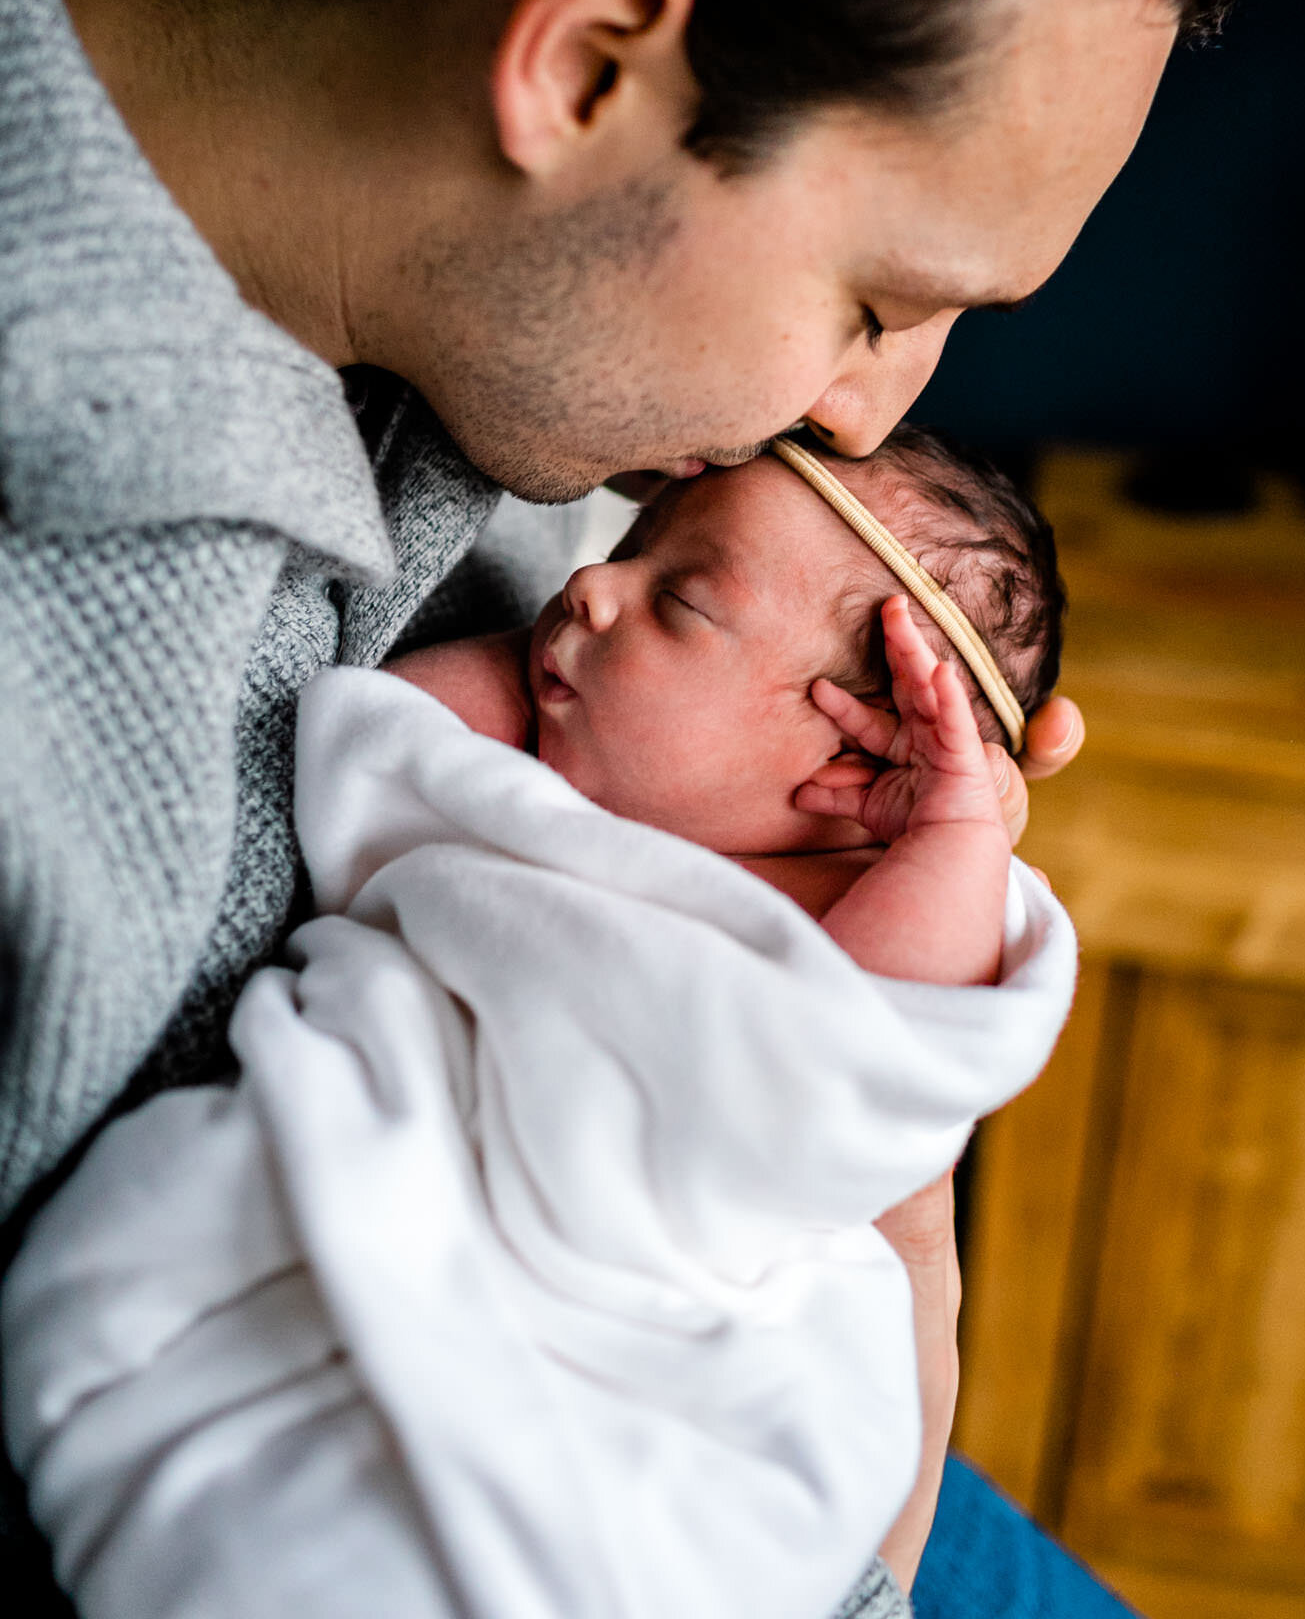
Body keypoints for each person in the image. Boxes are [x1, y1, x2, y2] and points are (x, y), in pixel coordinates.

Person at [0, 0, 1300, 1610]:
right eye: (880, 299)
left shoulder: (509, 335)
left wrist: (852, 1031)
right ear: (592, 56)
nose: (864, 416)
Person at [4, 432, 1079, 1619]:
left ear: (842, 747)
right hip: (360, 1180)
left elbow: (875, 1056)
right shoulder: (502, 800)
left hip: (647, 1336)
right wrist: (572, 682)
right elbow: (382, 731)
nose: (590, 585)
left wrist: (956, 840)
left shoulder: (820, 930)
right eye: (629, 549)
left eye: (677, 598)